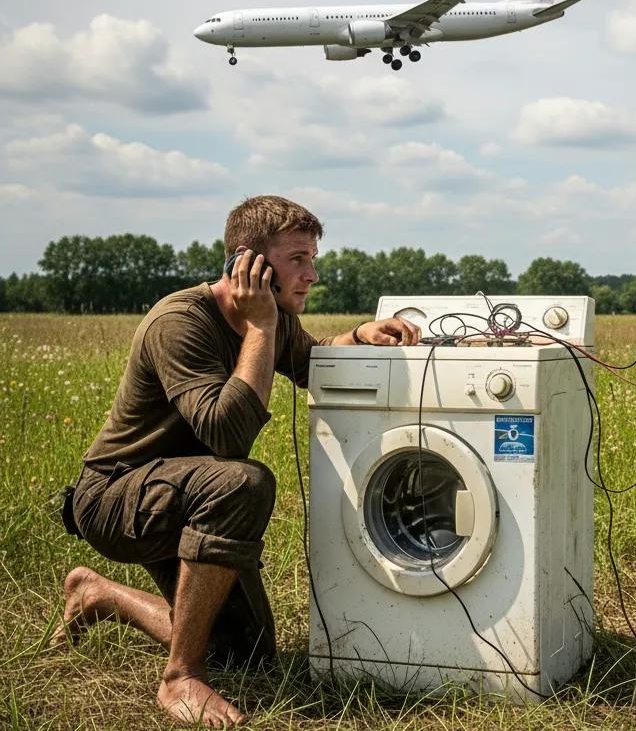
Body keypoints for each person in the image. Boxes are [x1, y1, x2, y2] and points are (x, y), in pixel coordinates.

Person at [54, 195, 420, 728]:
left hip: (185, 495)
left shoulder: (271, 321)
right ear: (248, 263)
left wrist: (358, 336)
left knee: (247, 654)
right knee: (243, 482)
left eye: (313, 258)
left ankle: (98, 594)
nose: (312, 274)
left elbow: (312, 360)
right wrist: (262, 329)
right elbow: (227, 437)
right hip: (116, 495)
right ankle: (180, 676)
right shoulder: (180, 321)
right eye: (298, 258)